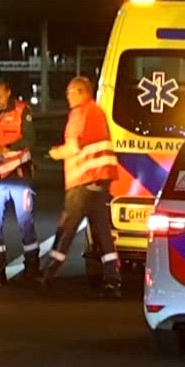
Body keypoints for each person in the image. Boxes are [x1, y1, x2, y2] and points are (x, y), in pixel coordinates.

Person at [40, 76, 120, 295]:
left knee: (66, 229)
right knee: (103, 234)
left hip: (83, 183)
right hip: (100, 182)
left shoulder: (80, 113)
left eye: (70, 92)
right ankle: (112, 278)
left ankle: (48, 272)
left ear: (81, 92)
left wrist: (55, 153)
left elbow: (73, 146)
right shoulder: (97, 112)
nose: (68, 97)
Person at [0, 79, 40, 284]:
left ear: (8, 93)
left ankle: (32, 266)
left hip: (19, 175)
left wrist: (5, 148)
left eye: (0, 96)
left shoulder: (22, 110)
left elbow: (29, 139)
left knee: (25, 222)